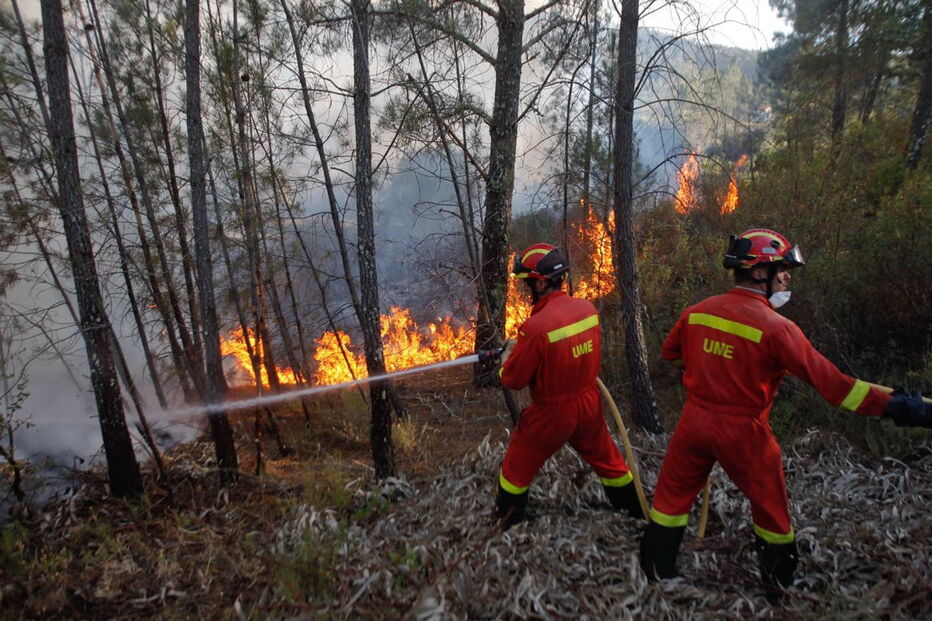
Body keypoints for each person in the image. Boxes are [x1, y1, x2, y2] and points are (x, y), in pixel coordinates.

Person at [639, 228, 932, 589]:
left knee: (671, 499)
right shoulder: (779, 330)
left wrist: (712, 368)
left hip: (693, 423)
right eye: (783, 271)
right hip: (745, 433)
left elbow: (671, 355)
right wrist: (901, 407)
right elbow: (838, 389)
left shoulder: (696, 313)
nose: (787, 278)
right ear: (760, 272)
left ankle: (657, 575)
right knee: (770, 509)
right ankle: (778, 589)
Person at [494, 243, 643, 527]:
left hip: (552, 413)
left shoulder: (535, 328)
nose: (526, 289)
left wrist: (507, 358)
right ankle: (636, 511)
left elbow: (513, 379)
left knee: (516, 468)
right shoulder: (587, 309)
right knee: (609, 461)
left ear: (540, 283)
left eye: (527, 283)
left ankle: (509, 522)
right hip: (589, 404)